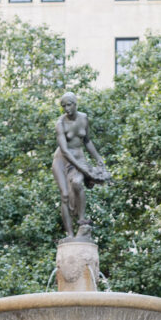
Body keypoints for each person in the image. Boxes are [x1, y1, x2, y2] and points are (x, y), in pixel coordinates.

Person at [52, 90, 110, 239]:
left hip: (78, 156)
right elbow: (64, 150)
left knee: (78, 183)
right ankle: (70, 234)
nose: (67, 109)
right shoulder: (60, 123)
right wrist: (81, 167)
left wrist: (98, 158)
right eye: (63, 106)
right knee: (64, 195)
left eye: (69, 105)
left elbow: (87, 141)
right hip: (62, 160)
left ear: (75, 104)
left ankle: (81, 218)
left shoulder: (84, 118)